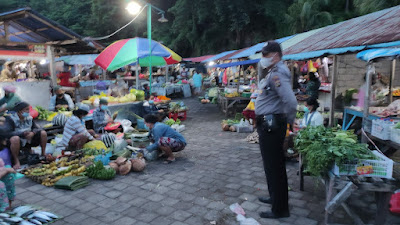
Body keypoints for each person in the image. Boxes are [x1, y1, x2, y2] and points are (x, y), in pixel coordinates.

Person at [255, 41, 297, 219]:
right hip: (269, 124)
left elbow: (291, 102)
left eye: (266, 55)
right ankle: (275, 198)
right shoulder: (272, 72)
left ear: (276, 55)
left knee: (275, 167)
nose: (263, 59)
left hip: (273, 126)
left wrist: (289, 123)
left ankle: (280, 209)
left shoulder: (278, 74)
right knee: (270, 166)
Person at [8, 102, 47, 169]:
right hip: (18, 140)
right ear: (20, 111)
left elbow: (37, 128)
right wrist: (22, 134)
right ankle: (16, 161)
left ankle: (43, 154)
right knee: (15, 139)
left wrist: (33, 133)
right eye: (26, 109)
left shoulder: (29, 118)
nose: (28, 111)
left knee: (43, 133)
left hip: (29, 139)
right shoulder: (11, 119)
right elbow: (8, 133)